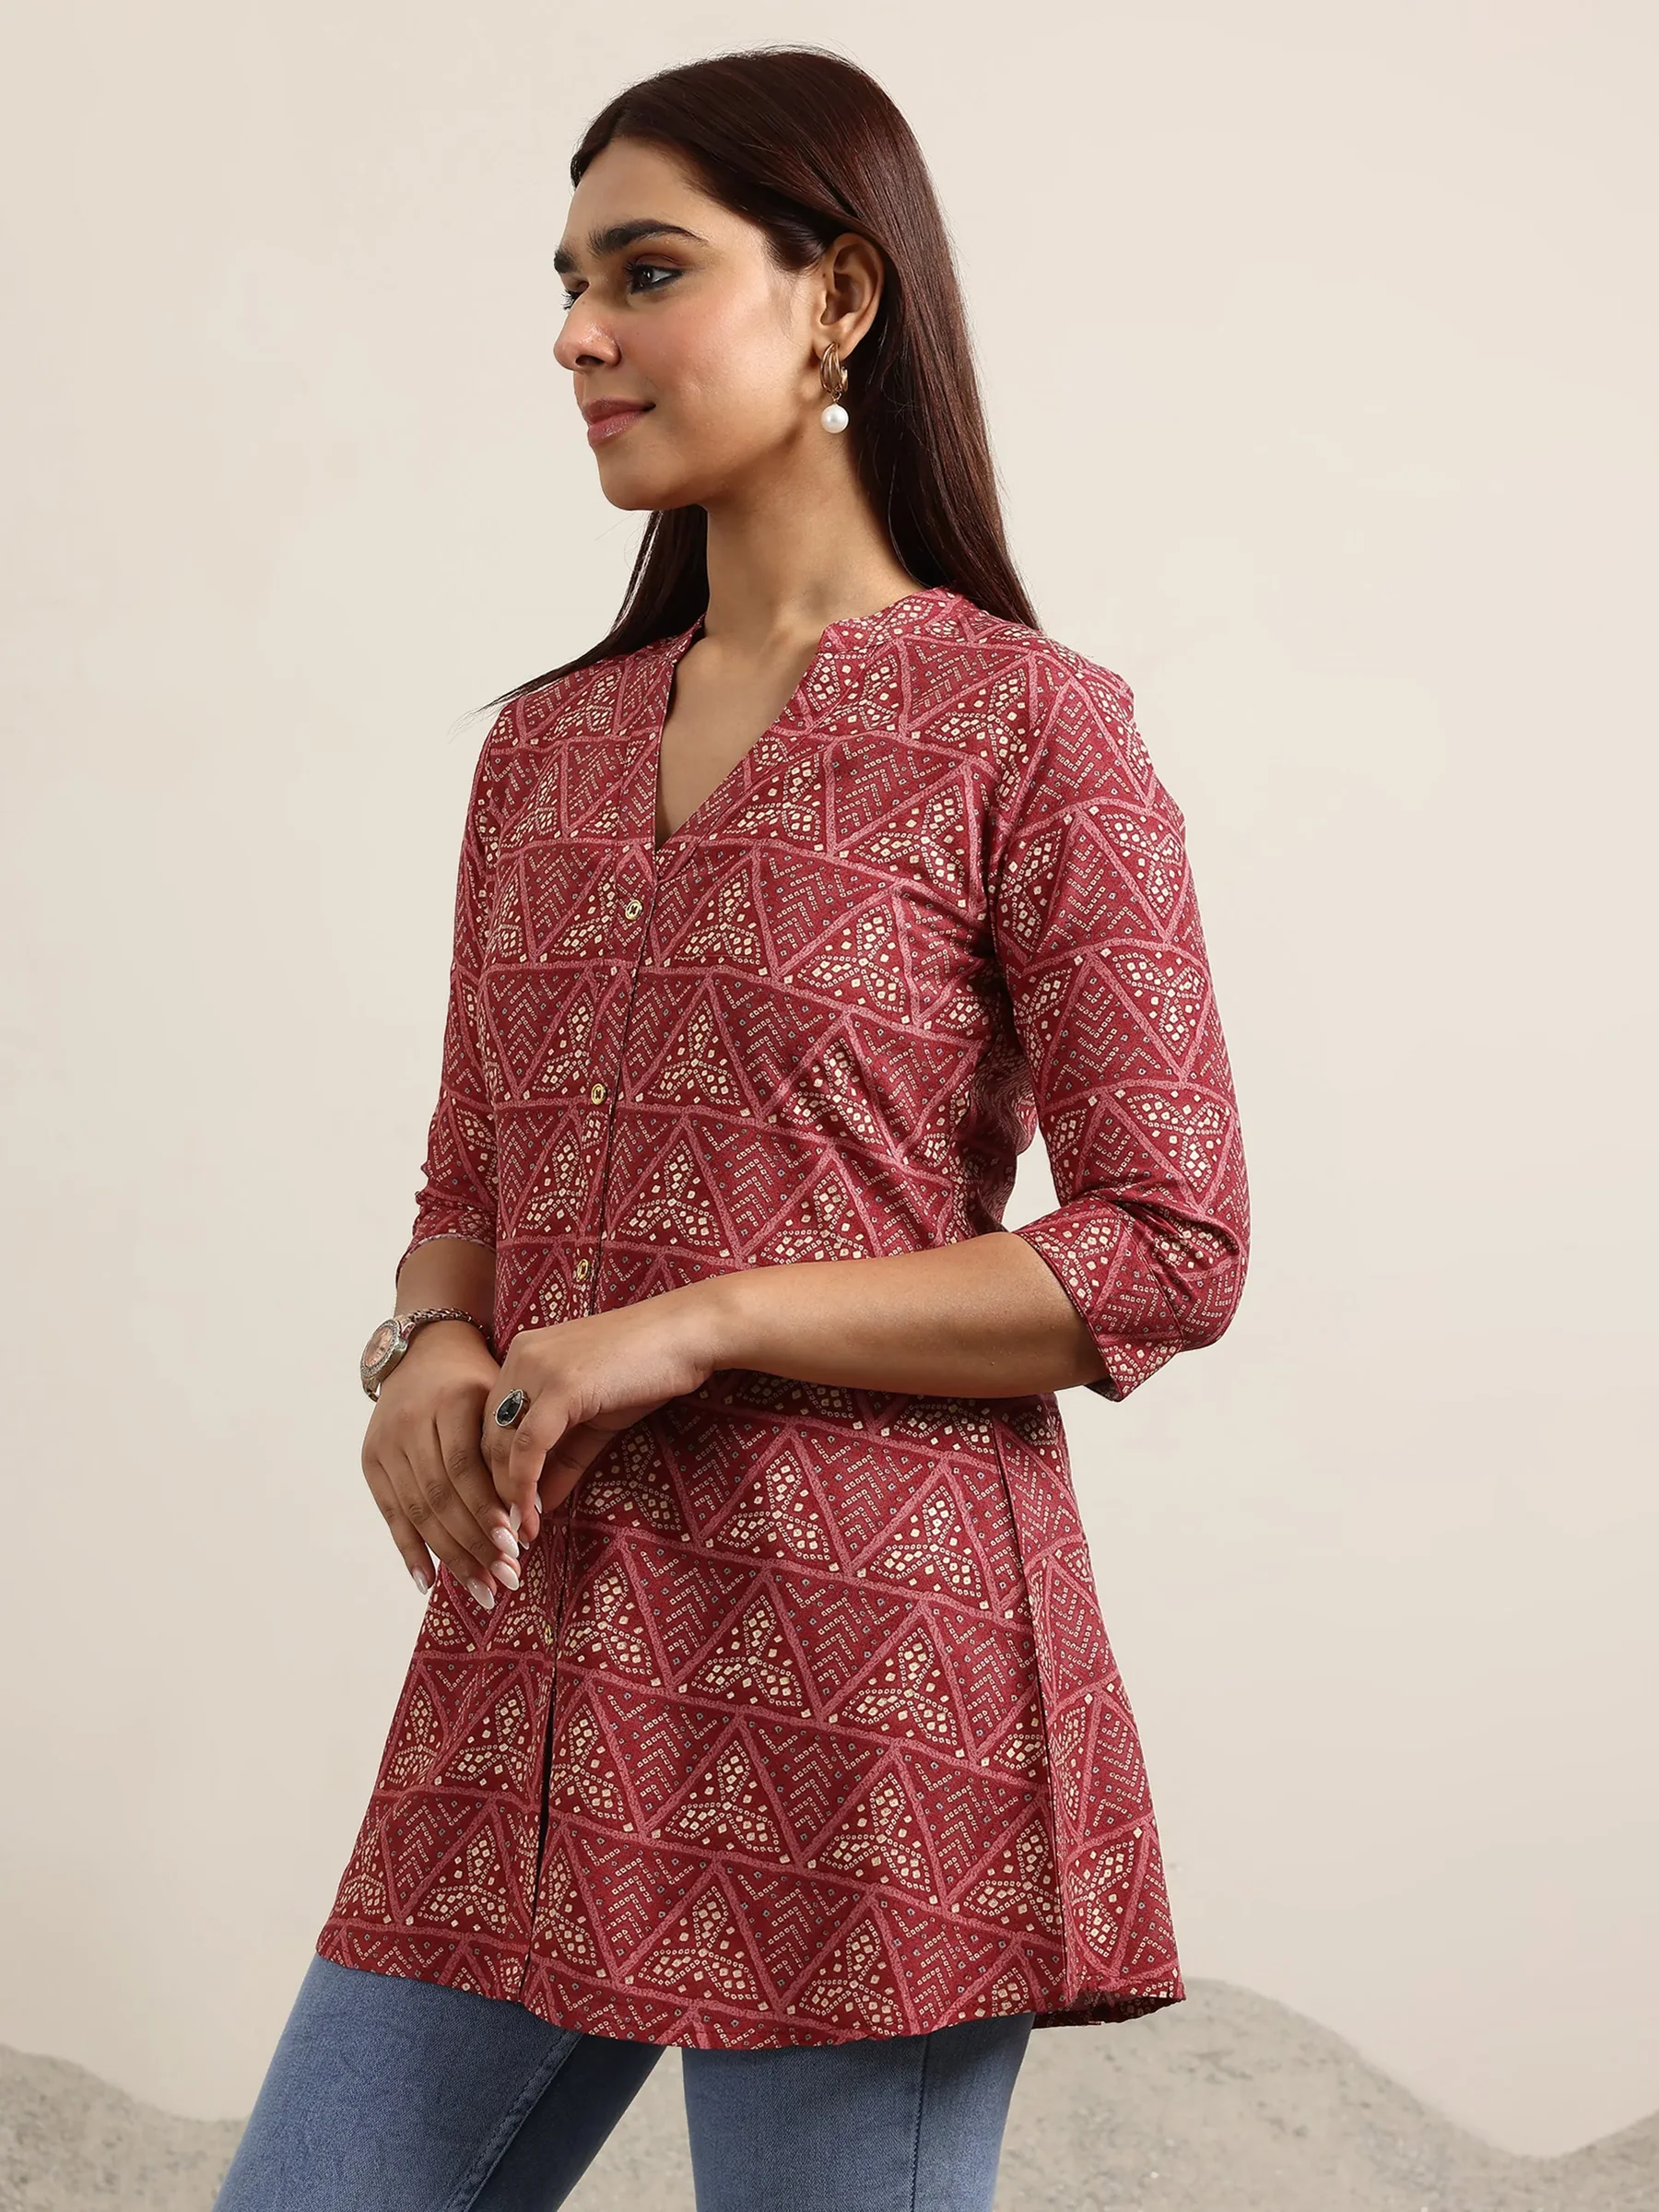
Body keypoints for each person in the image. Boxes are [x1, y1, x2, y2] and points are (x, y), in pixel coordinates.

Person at [212, 43, 1250, 2212]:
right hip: (533, 1676)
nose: (578, 335)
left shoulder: (1029, 735)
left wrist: (702, 1322)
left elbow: (1169, 1242)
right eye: (569, 282)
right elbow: (470, 1184)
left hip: (869, 1704)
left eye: (647, 270)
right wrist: (425, 1348)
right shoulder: (543, 755)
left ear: (839, 298)